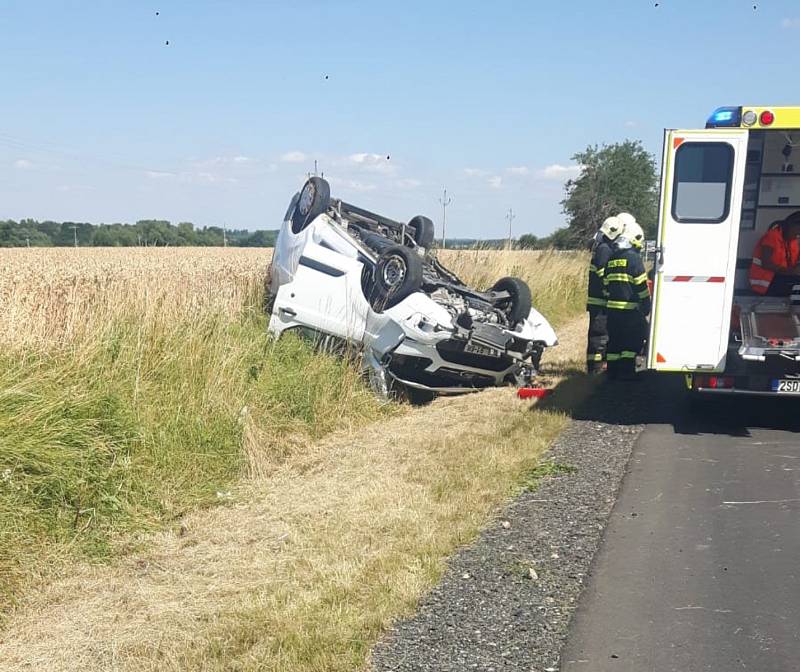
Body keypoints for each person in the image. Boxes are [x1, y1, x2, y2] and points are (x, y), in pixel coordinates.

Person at [604, 218, 651, 380]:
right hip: (630, 310)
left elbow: (605, 284)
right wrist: (646, 304)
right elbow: (641, 286)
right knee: (630, 342)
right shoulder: (634, 259)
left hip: (612, 310)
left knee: (614, 341)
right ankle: (626, 373)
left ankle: (611, 373)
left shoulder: (611, 259)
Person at [586, 216, 624, 373]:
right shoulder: (604, 250)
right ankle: (594, 368)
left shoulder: (603, 248)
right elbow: (603, 274)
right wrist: (611, 290)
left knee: (601, 334)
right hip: (599, 301)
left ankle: (598, 365)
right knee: (598, 335)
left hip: (599, 300)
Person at [749, 211, 800, 296]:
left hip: (781, 278)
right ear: (791, 226)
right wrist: (791, 272)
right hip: (766, 283)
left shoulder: (792, 241)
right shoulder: (772, 237)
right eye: (798, 231)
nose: (798, 235)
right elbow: (766, 264)